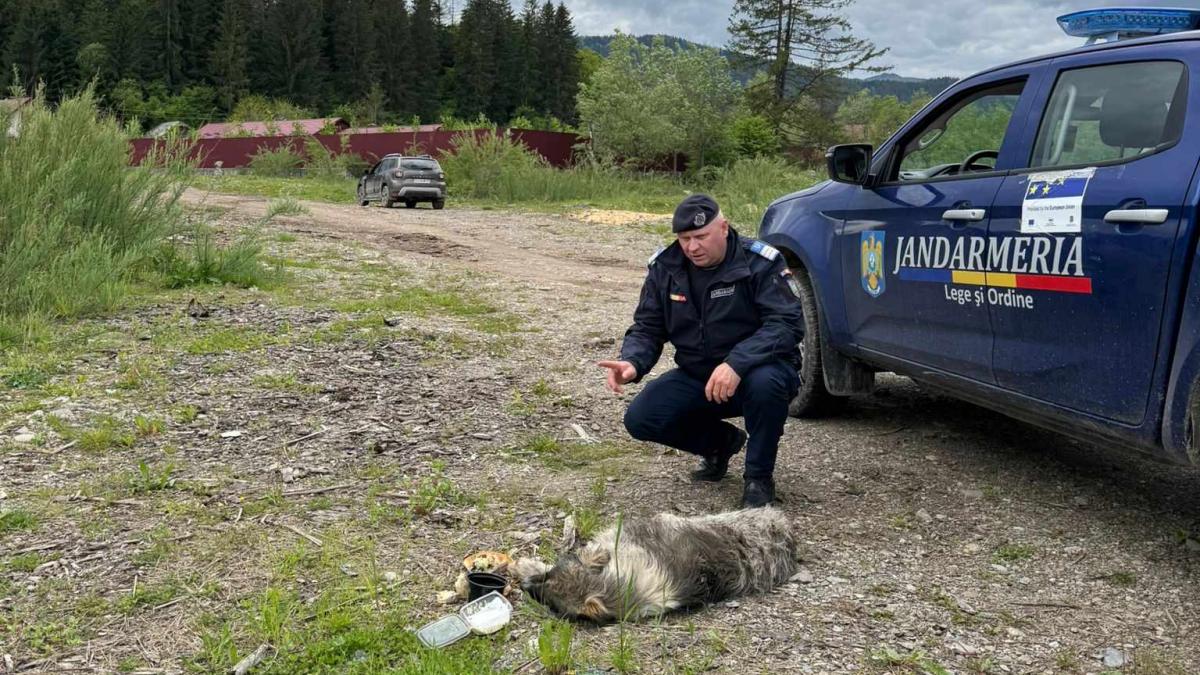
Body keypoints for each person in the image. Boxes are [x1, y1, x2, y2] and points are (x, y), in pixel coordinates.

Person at [598, 194, 804, 508]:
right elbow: (648, 327)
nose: (692, 247)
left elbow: (786, 323)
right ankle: (721, 444)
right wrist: (632, 362)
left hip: (759, 370)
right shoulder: (666, 267)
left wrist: (736, 363)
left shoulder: (760, 262)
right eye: (684, 239)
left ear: (723, 228)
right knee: (642, 418)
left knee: (767, 386)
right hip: (701, 375)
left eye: (700, 237)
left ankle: (758, 479)